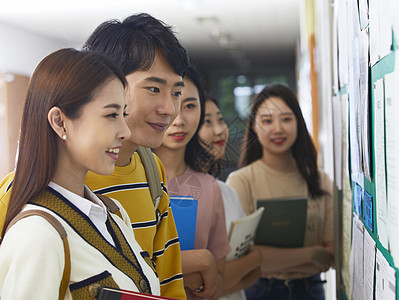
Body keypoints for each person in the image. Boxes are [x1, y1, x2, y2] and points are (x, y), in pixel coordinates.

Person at [0, 48, 161, 298]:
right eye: (111, 115)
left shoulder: (115, 214)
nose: (125, 131)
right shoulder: (36, 235)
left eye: (123, 114)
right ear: (60, 122)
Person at [83, 13, 189, 300]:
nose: (169, 108)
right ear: (106, 85)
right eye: (154, 89)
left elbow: (168, 279)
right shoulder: (53, 177)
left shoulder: (150, 168)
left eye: (177, 92)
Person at [226, 84, 334, 300]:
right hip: (258, 290)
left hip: (311, 290)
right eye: (267, 121)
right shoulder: (241, 182)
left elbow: (329, 254)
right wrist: (310, 253)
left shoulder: (319, 180)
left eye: (286, 119)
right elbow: (241, 259)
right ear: (254, 126)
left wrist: (265, 256)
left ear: (298, 123)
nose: (278, 128)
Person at [153, 67, 231, 300]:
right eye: (172, 104)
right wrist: (198, 263)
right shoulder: (132, 180)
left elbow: (217, 277)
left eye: (189, 106)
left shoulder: (209, 187)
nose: (178, 119)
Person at [198, 97, 262, 300]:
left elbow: (256, 270)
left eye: (220, 119)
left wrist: (220, 281)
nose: (219, 130)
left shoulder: (227, 192)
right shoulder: (177, 196)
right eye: (207, 122)